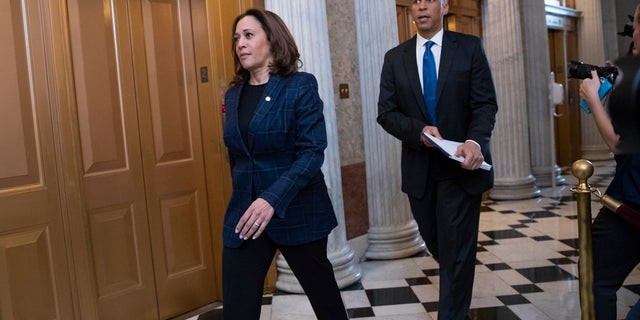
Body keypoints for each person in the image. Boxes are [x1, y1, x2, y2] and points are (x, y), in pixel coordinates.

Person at [221, 8, 348, 320]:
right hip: (247, 215)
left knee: (327, 305)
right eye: (237, 38)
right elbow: (238, 155)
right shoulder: (233, 94)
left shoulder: (300, 86)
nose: (241, 43)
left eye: (249, 35)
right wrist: (250, 199)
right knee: (237, 309)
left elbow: (311, 153)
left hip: (298, 210)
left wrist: (271, 199)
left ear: (272, 41)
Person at [376, 0, 498, 319]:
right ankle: (457, 282)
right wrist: (419, 132)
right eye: (415, 1)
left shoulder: (469, 48)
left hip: (461, 169)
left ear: (444, 6)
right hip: (420, 171)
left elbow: (485, 104)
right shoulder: (395, 58)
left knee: (455, 251)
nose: (421, 6)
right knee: (444, 247)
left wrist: (474, 141)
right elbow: (386, 113)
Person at [579, 4, 640, 319]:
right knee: (594, 277)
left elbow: (619, 142)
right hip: (627, 205)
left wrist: (592, 98)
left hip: (632, 200)